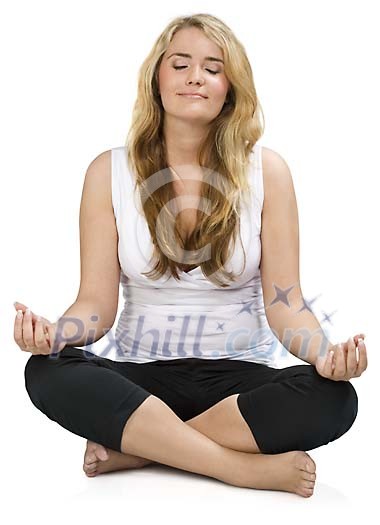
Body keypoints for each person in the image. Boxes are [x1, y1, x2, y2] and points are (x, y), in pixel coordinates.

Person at [15, 13, 367, 498]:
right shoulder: (108, 171)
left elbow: (286, 304)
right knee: (46, 370)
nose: (195, 76)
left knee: (335, 400)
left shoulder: (268, 172)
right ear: (157, 79)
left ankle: (142, 449)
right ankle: (235, 467)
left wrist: (324, 356)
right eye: (180, 64)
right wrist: (57, 334)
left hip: (237, 382)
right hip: (139, 380)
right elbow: (95, 303)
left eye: (213, 67)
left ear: (230, 88)